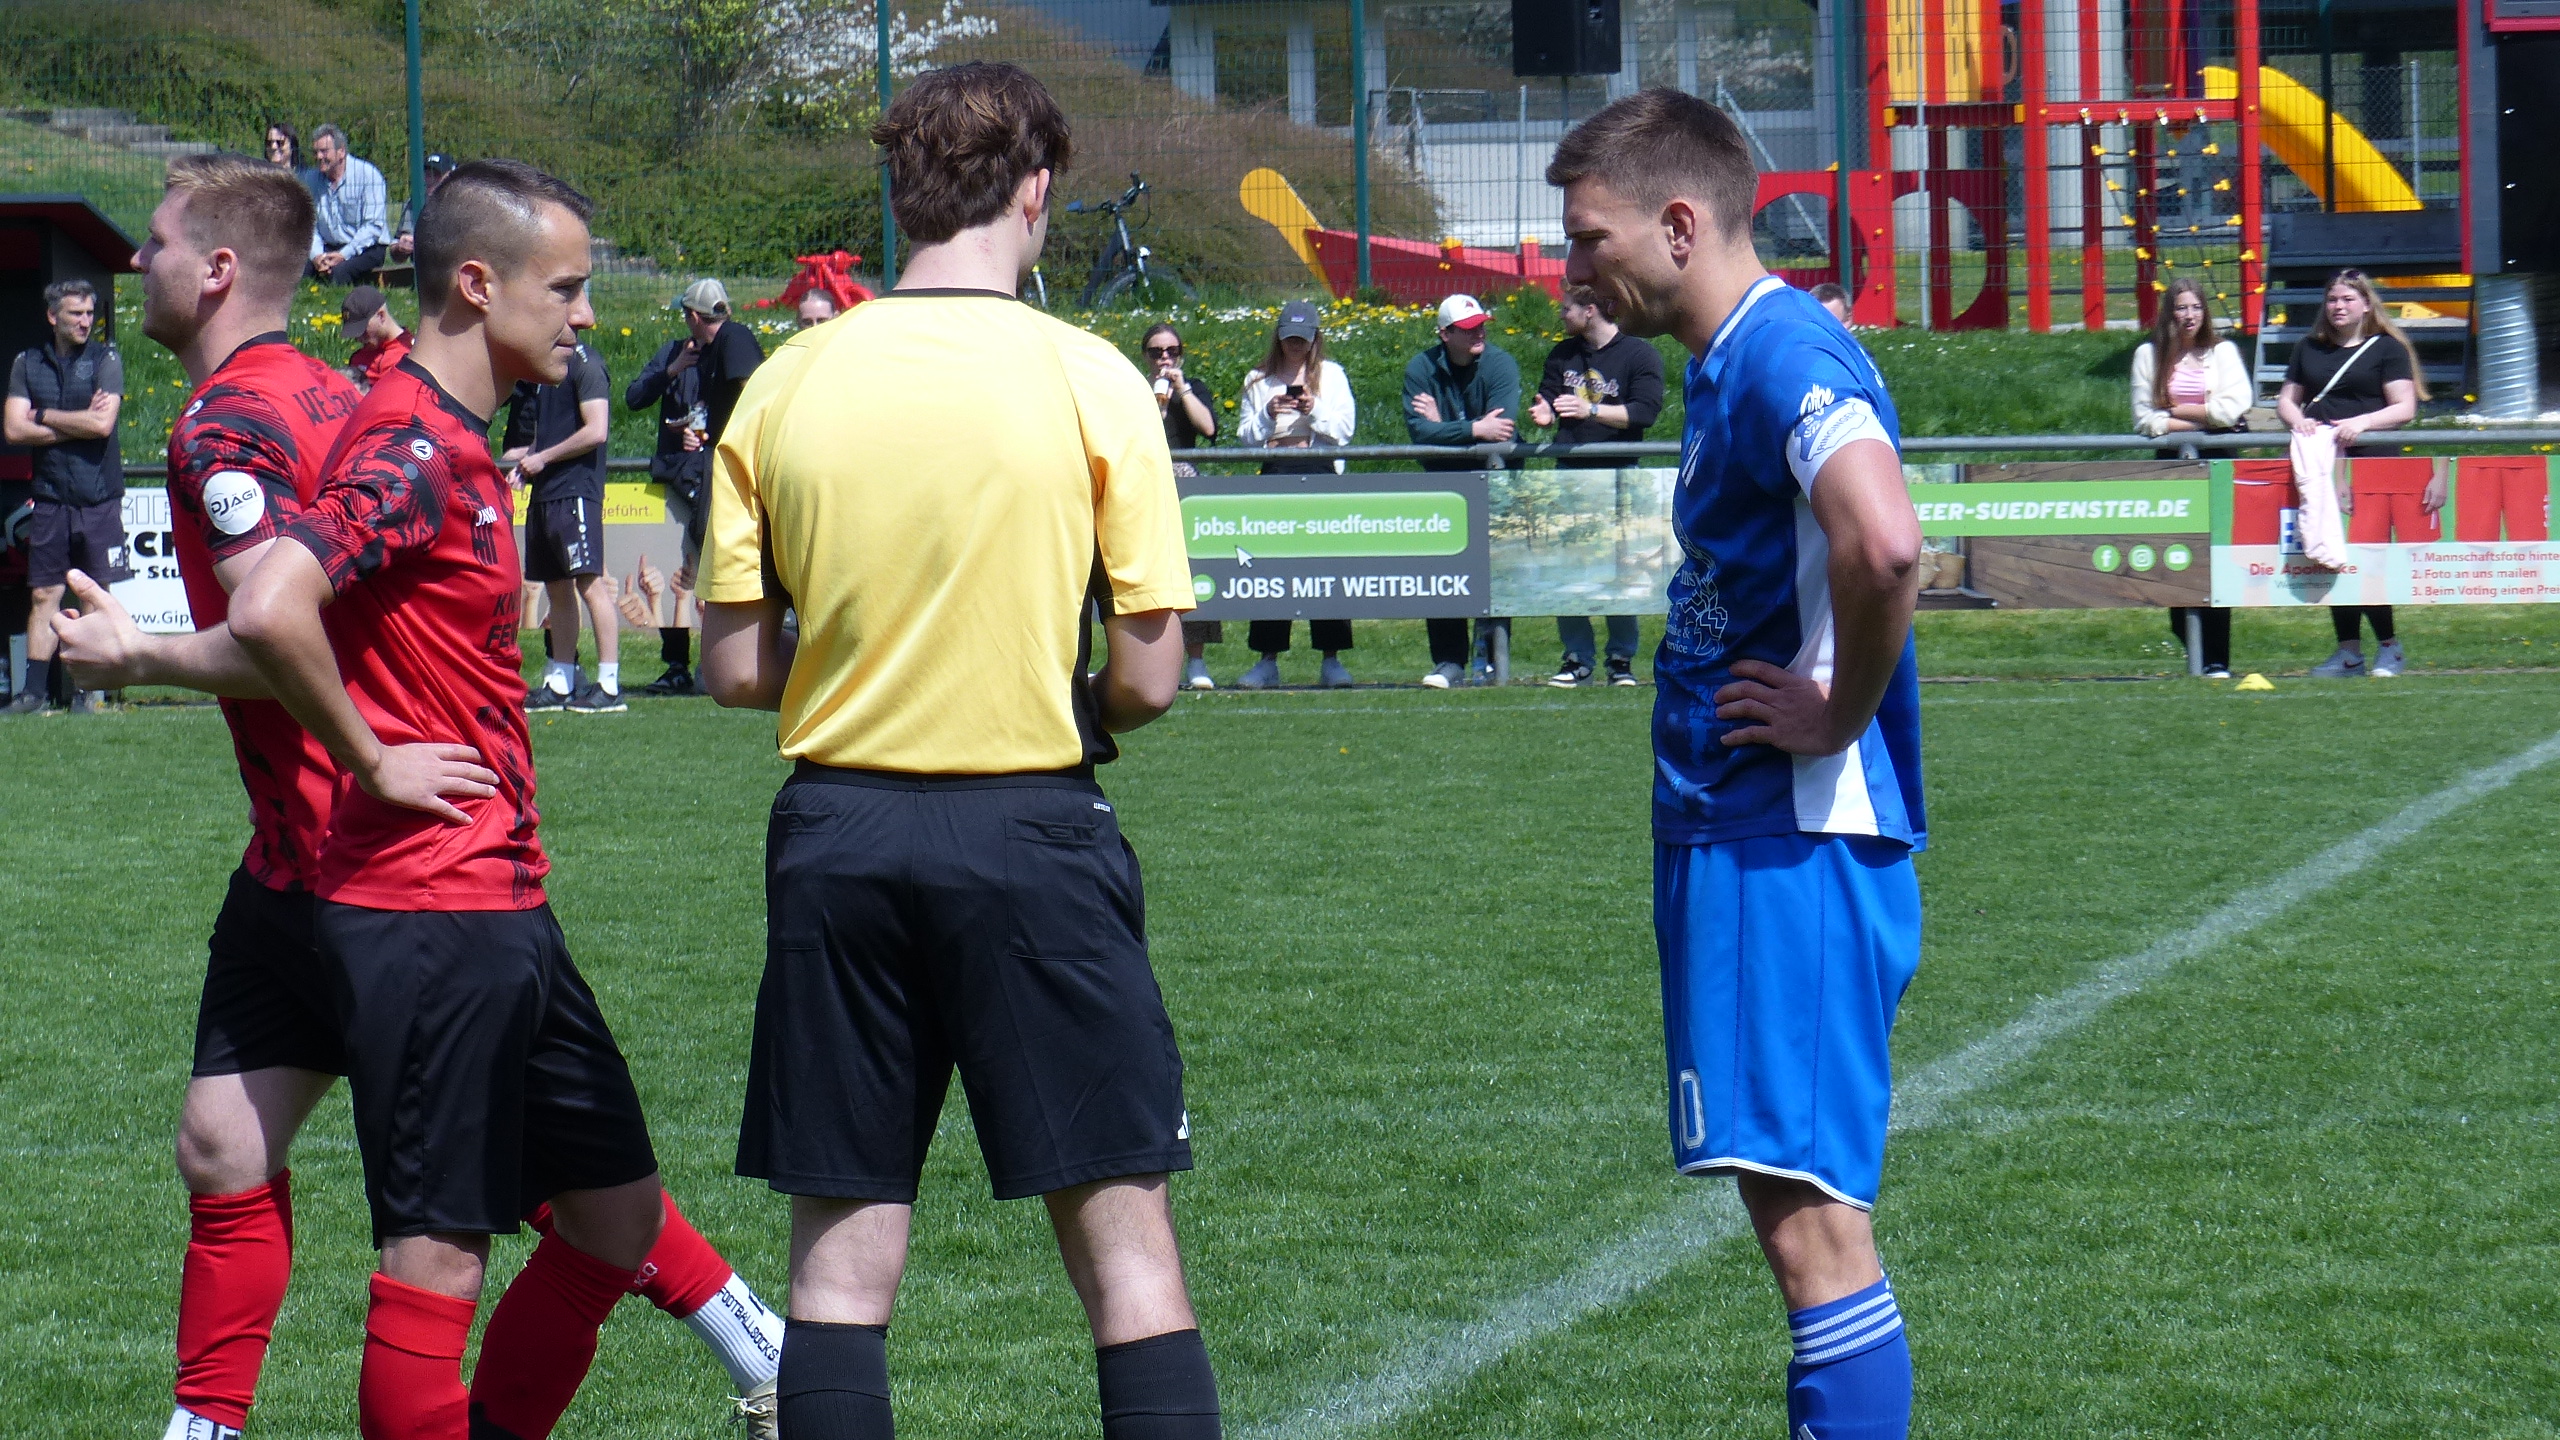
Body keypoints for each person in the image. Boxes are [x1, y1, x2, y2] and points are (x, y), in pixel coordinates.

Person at [51, 151, 787, 1440]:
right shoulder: (371, 417)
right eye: (567, 287)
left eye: (154, 242)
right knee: (355, 1203)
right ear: (480, 284)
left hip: (416, 871)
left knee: (569, 1209)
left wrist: (156, 661)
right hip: (390, 877)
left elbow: (285, 618)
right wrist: (368, 753)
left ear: (217, 270)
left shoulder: (278, 425)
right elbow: (289, 615)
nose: (587, 314)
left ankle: (753, 1340)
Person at [698, 61, 1219, 1440]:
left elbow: (735, 668)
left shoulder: (787, 381)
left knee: (838, 1275)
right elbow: (1150, 674)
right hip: (1032, 830)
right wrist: (1054, 694)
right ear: (1036, 191)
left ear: (900, 189)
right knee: (1128, 1263)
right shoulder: (1091, 376)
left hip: (838, 835)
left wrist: (871, 670)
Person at [1552, 88, 1926, 1440]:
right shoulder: (1727, 365)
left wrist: (1837, 713)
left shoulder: (1783, 352)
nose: (1572, 271)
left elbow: (1884, 541)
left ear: (1677, 223)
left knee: (1813, 1229)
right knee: (1788, 1216)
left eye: (1587, 238)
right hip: (1740, 832)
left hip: (1791, 836)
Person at [2276, 267, 2426, 678]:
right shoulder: (2308, 347)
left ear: (2366, 304)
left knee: (2367, 557)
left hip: (2370, 461)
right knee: (2331, 553)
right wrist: (2299, 422)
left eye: (2347, 299)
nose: (2338, 307)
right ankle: (2348, 652)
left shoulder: (2387, 349)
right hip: (2323, 461)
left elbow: (2404, 407)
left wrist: (2363, 423)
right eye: (2332, 299)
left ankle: (2389, 646)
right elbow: (2287, 400)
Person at [1528, 283, 1664, 687]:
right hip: (1570, 476)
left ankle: (1620, 660)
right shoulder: (1562, 354)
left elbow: (1645, 412)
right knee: (1569, 568)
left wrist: (1590, 409)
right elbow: (1548, 397)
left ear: (1590, 309)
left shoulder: (1638, 354)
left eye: (1566, 308)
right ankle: (1577, 659)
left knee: (1620, 568)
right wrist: (1544, 411)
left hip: (1620, 475)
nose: (1560, 314)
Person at [631, 278, 765, 690]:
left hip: (708, 474)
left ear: (692, 315)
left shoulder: (727, 347)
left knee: (706, 571)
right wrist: (672, 370)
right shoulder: (674, 352)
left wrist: (704, 438)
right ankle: (676, 666)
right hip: (678, 474)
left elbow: (738, 402)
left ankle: (715, 662)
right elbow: (634, 397)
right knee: (676, 571)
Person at [2, 277, 126, 716]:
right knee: (44, 595)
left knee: (93, 594)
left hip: (98, 498)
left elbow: (102, 425)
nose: (86, 321)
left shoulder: (106, 359)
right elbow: (13, 430)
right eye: (76, 313)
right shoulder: (27, 362)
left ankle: (86, 693)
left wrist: (43, 415)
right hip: (50, 498)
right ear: (53, 316)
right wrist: (76, 423)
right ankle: (33, 694)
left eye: (90, 313)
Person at [2132, 277, 2253, 678]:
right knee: (2177, 560)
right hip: (2171, 466)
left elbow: (2232, 409)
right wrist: (2204, 418)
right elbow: (2145, 420)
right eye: (2181, 307)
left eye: (2196, 307)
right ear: (2169, 312)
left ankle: (2217, 659)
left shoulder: (2224, 352)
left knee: (2215, 561)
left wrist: (2172, 411)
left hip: (2218, 461)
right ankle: (2195, 650)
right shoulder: (2148, 355)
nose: (2189, 315)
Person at [1234, 299, 1357, 688]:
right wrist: (1268, 413)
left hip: (1321, 472)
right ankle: (1267, 659)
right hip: (1275, 474)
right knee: (1272, 567)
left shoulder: (1333, 376)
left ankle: (1331, 659)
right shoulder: (1258, 380)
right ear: (1279, 337)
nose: (1295, 345)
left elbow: (1345, 430)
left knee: (1326, 565)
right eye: (1289, 338)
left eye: (1302, 339)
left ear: (1315, 338)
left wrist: (1313, 408)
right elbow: (1245, 438)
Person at [503, 326, 622, 713]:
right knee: (556, 587)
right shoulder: (544, 370)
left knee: (589, 584)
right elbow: (545, 435)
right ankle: (561, 682)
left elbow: (596, 430)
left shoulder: (587, 363)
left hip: (576, 491)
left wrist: (542, 458)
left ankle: (609, 686)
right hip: (545, 492)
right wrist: (522, 462)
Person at [1403, 292, 1518, 688]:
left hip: (1494, 483)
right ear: (1445, 334)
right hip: (1445, 487)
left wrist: (1445, 427)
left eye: (1481, 326)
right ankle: (1448, 662)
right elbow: (1420, 433)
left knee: (1493, 573)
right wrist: (1473, 428)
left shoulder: (1500, 364)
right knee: (1443, 572)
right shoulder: (1421, 368)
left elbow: (1502, 430)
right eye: (1468, 329)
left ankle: (1491, 660)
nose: (1478, 333)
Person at [1143, 322, 1226, 690]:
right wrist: (1155, 405)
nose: (1165, 358)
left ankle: (1196, 660)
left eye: (1172, 351)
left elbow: (1209, 429)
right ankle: (1150, 661)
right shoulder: (1134, 388)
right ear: (1145, 356)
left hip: (1185, 482)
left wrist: (1182, 389)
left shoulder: (1194, 388)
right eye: (1157, 352)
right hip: (1145, 481)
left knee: (1193, 571)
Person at [305, 125, 388, 286]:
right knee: (299, 271)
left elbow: (373, 226)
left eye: (324, 151)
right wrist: (317, 256)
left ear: (341, 151)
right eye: (315, 152)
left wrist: (344, 254)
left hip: (366, 247)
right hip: (328, 247)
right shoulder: (310, 180)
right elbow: (310, 226)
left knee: (338, 275)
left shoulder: (368, 175)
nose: (318, 157)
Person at [388, 151, 458, 264]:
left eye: (436, 175)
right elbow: (396, 256)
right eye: (427, 174)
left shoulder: (465, 203)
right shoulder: (415, 203)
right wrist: (400, 248)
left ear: (452, 177)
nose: (430, 180)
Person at [339, 285, 411, 391]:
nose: (358, 338)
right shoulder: (359, 357)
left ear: (381, 316)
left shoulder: (408, 355)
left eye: (362, 330)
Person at [262, 123, 320, 199]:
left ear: (292, 145)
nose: (273, 147)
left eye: (280, 142)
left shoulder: (307, 178)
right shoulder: (262, 178)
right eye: (269, 143)